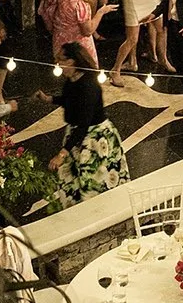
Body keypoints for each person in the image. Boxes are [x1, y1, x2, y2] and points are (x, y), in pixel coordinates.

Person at [44, 41, 127, 196]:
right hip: (78, 134)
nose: (58, 65)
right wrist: (49, 99)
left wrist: (62, 154)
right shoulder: (73, 79)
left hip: (93, 138)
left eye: (61, 61)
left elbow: (84, 123)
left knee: (93, 183)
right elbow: (70, 99)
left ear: (72, 62)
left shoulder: (88, 86)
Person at [37, 0, 112, 64]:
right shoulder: (78, 4)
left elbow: (49, 27)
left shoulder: (48, 0)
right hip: (80, 49)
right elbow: (87, 31)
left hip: (60, 47)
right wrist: (101, 12)